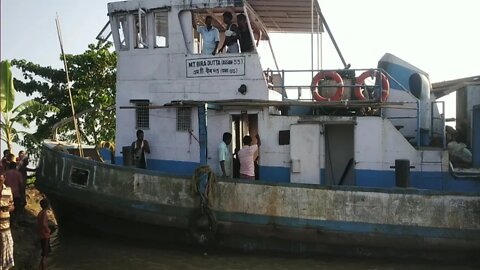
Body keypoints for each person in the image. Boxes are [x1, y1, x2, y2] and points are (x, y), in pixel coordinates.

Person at [0, 174, 15, 270]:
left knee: (7, 244)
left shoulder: (8, 190)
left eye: (1, 179)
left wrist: (8, 209)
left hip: (5, 223)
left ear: (4, 179)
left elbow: (12, 205)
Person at [37, 199, 51, 270]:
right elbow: (44, 224)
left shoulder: (40, 213)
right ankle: (44, 268)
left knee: (43, 254)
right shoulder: (44, 213)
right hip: (45, 235)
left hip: (41, 235)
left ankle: (40, 268)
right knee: (45, 255)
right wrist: (48, 230)